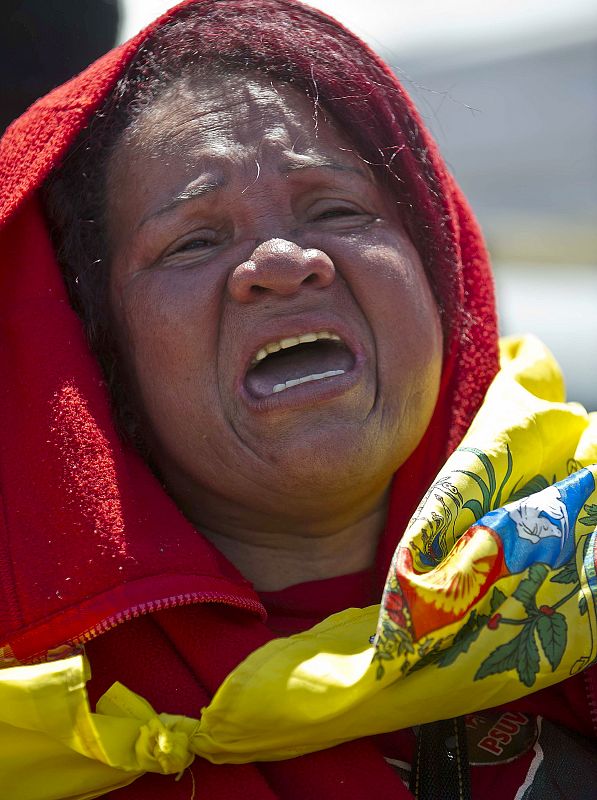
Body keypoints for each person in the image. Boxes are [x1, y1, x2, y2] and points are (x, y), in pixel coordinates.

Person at [0, 1, 595, 798]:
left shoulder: (576, 574)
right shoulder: (36, 724)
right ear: (94, 358)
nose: (284, 261)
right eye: (195, 240)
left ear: (440, 279)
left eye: (338, 209)